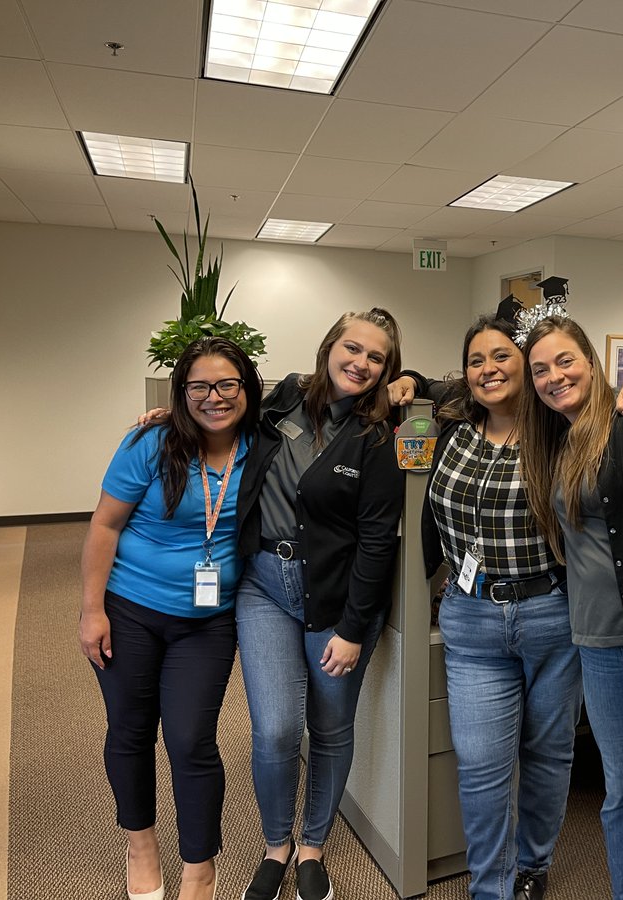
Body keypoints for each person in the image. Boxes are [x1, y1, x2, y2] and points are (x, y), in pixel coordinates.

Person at [389, 315, 623, 900]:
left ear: (528, 368)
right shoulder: (451, 426)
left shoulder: (562, 429)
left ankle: (532, 868)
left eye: (505, 358)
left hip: (553, 615)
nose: (490, 370)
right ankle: (490, 885)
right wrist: (407, 377)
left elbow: (616, 424)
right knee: (483, 763)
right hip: (472, 617)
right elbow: (417, 387)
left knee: (548, 753)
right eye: (476, 361)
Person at [80, 336, 263, 900]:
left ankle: (198, 870)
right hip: (129, 608)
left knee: (190, 740)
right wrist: (91, 611)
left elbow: (320, 394)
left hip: (208, 622)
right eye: (199, 386)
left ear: (247, 390)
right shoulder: (150, 442)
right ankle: (140, 845)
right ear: (180, 392)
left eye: (227, 384)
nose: (214, 397)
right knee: (131, 731)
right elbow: (105, 526)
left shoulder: (266, 445)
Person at [235, 308, 406, 900]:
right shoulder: (283, 400)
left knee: (330, 728)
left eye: (376, 357)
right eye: (351, 348)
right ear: (329, 346)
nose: (360, 363)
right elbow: (220, 421)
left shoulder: (380, 436)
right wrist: (165, 420)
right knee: (276, 729)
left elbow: (379, 540)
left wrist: (355, 629)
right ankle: (275, 845)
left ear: (388, 369)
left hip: (337, 603)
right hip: (263, 588)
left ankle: (312, 847)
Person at [519, 315, 623, 900]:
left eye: (565, 361)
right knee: (619, 795)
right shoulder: (553, 442)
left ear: (590, 360)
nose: (554, 376)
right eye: (540, 369)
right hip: (595, 644)